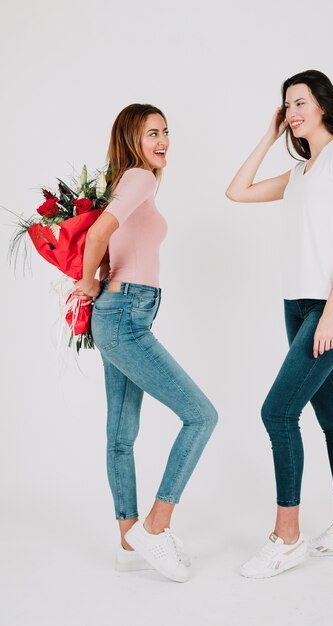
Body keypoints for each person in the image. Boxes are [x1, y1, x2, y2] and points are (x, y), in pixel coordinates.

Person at [226, 69, 333, 579]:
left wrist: (331, 311)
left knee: (277, 413)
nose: (294, 112)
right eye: (287, 105)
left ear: (324, 104)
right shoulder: (300, 173)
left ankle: (287, 538)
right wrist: (270, 133)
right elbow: (235, 191)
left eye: (301, 102)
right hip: (297, 307)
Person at [72, 103, 218, 583]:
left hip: (120, 315)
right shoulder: (140, 179)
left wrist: (96, 285)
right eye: (151, 133)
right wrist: (87, 283)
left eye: (166, 132)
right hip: (124, 318)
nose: (163, 141)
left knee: (121, 435)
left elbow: (106, 235)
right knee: (201, 415)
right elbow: (97, 233)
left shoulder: (127, 183)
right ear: (131, 140)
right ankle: (155, 526)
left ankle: (128, 543)